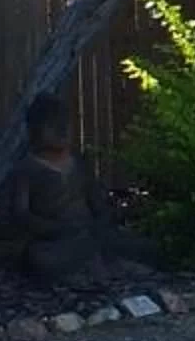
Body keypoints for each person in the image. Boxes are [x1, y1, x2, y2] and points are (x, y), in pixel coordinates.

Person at [10, 91, 151, 287]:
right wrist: (53, 228)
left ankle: (104, 263)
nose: (62, 130)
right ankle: (96, 266)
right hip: (57, 239)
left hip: (89, 232)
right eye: (53, 124)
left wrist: (107, 215)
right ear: (35, 129)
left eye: (65, 124)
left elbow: (95, 199)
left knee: (133, 243)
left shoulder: (78, 161)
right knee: (40, 259)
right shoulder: (27, 168)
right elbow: (21, 214)